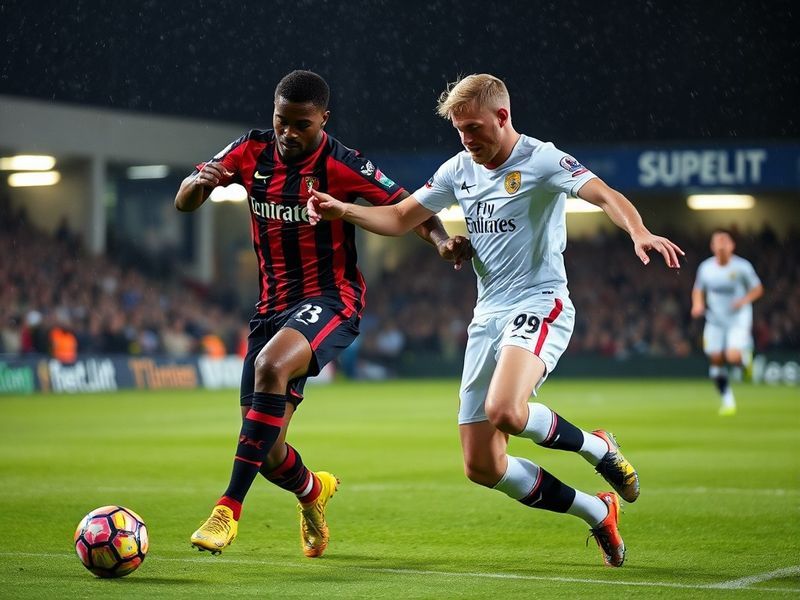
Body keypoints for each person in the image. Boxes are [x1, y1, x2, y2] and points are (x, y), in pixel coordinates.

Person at [308, 73, 684, 568]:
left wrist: (638, 231)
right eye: (460, 130)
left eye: (474, 128)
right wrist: (345, 211)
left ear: (503, 117)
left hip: (540, 301)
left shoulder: (542, 159)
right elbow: (400, 217)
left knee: (506, 409)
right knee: (482, 466)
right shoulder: (459, 168)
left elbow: (605, 195)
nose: (468, 139)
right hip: (487, 316)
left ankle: (598, 447)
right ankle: (597, 510)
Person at [175, 70, 471, 557]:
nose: (289, 133)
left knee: (272, 366)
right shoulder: (249, 151)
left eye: (302, 125)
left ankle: (227, 509)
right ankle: (313, 491)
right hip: (269, 310)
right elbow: (184, 203)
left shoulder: (343, 163)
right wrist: (198, 182)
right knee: (268, 452)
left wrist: (441, 241)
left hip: (332, 300)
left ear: (323, 120)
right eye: (281, 121)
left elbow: (408, 207)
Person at [691, 229, 763, 415]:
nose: (722, 245)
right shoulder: (706, 268)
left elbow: (757, 289)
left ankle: (745, 360)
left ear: (732, 246)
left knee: (732, 357)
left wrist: (743, 300)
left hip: (738, 317)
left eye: (725, 241)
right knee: (715, 359)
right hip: (715, 319)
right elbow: (698, 289)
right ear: (712, 246)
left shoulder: (742, 267)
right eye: (718, 241)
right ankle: (728, 401)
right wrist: (697, 304)